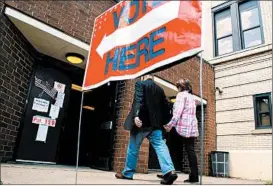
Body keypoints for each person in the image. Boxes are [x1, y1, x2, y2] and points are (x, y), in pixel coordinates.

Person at [115, 74, 178, 185]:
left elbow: (138, 100)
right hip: (156, 125)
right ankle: (169, 171)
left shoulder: (140, 84)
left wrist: (136, 115)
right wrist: (167, 122)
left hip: (142, 123)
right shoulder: (160, 89)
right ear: (152, 78)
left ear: (144, 76)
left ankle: (128, 173)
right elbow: (166, 107)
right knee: (160, 146)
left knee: (133, 148)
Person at [163, 79, 199, 183]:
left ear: (181, 87)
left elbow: (177, 113)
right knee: (190, 150)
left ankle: (168, 172)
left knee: (168, 146)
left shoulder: (181, 96)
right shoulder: (192, 97)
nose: (177, 89)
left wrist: (170, 125)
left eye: (177, 87)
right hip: (192, 127)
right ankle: (194, 177)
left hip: (182, 127)